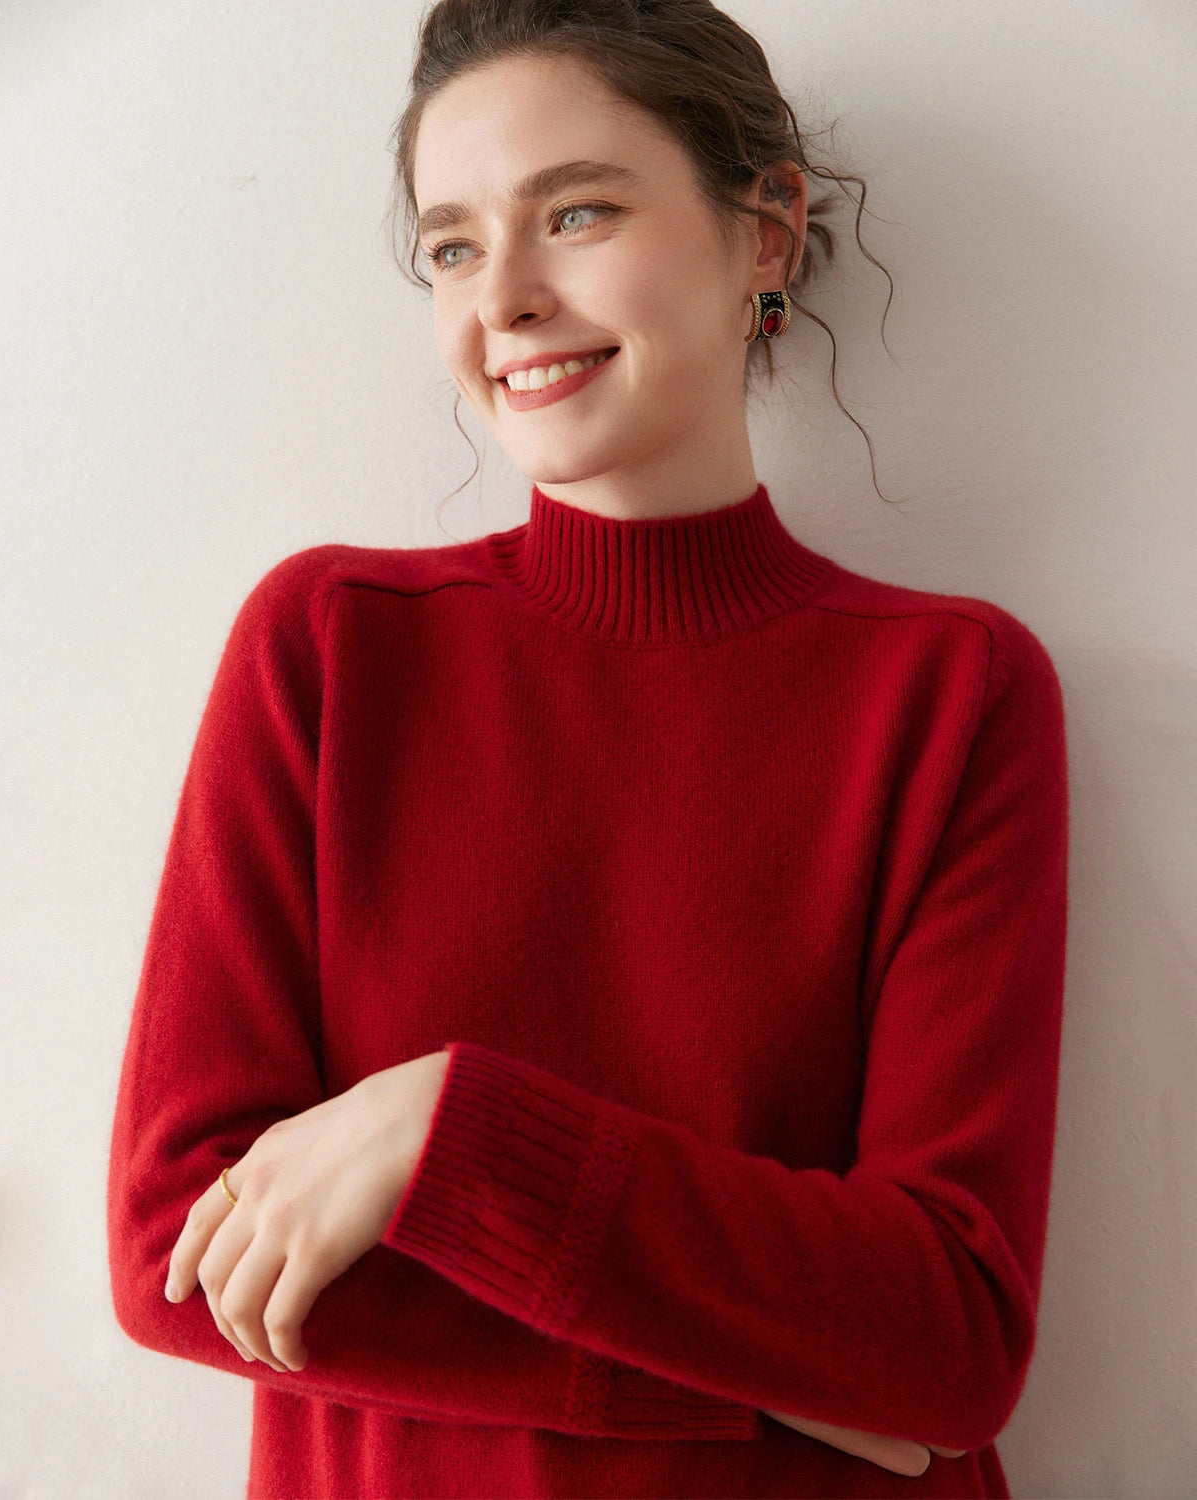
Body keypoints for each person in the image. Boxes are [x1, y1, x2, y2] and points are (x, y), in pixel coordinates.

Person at [106, 2, 1070, 1497]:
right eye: (451, 247)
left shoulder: (953, 691)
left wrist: (449, 1134)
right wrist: (777, 1380)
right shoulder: (332, 647)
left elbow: (947, 1335)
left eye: (576, 214)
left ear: (767, 230)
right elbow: (179, 1249)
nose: (505, 298)